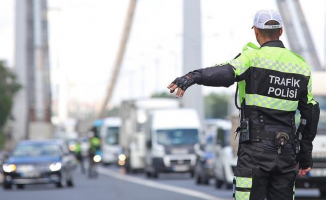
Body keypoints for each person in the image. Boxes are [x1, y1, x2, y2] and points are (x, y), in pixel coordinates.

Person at [167, 10, 320, 200]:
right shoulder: (301, 67)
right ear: (281, 31)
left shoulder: (251, 58)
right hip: (286, 152)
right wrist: (305, 156)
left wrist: (192, 77)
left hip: (254, 153)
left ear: (256, 31)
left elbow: (225, 73)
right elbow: (311, 113)